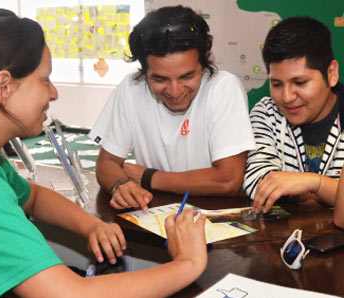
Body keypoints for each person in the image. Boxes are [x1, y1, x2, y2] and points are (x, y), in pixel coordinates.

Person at [0, 8, 208, 298]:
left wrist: (91, 225)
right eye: (45, 80)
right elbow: (71, 296)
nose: (54, 93)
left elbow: (33, 196)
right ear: (3, 87)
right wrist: (189, 263)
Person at [88, 5, 255, 211]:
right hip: (153, 218)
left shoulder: (223, 88)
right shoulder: (131, 88)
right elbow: (107, 163)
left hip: (214, 224)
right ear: (143, 70)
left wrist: (148, 177)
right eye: (159, 79)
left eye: (187, 76)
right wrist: (121, 186)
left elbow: (228, 181)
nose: (175, 91)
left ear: (204, 62)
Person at [243, 16, 343, 214]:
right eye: (277, 84)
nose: (287, 97)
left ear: (331, 73)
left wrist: (316, 184)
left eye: (300, 82)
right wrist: (332, 194)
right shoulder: (266, 112)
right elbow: (257, 181)